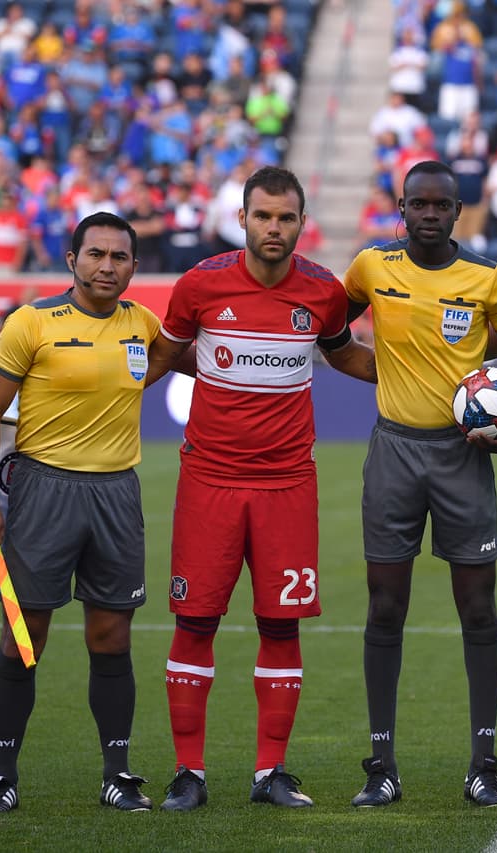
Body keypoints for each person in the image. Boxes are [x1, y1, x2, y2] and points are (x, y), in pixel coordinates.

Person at [144, 166, 377, 812]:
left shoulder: (323, 292)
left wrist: (409, 372)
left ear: (302, 223)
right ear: (241, 218)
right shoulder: (199, 285)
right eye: (263, 216)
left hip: (287, 485)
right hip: (209, 481)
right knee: (195, 622)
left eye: (285, 217)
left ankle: (270, 771)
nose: (274, 228)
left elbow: (343, 353)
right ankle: (188, 772)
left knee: (281, 625)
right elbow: (162, 357)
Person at [341, 160, 497, 808]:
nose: (429, 214)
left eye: (441, 205)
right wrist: (387, 373)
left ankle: (484, 762)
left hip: (463, 457)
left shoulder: (488, 279)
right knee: (385, 606)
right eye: (417, 204)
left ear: (459, 211)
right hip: (395, 450)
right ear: (401, 208)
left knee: (478, 608)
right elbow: (331, 333)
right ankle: (381, 765)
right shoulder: (372, 267)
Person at [0, 212, 160, 815]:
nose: (108, 266)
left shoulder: (143, 323)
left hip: (116, 495)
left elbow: (172, 361)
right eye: (96, 254)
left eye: (120, 257)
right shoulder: (32, 322)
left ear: (133, 265)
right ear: (72, 259)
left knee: (112, 636)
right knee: (25, 637)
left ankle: (117, 774)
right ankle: (3, 778)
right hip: (42, 492)